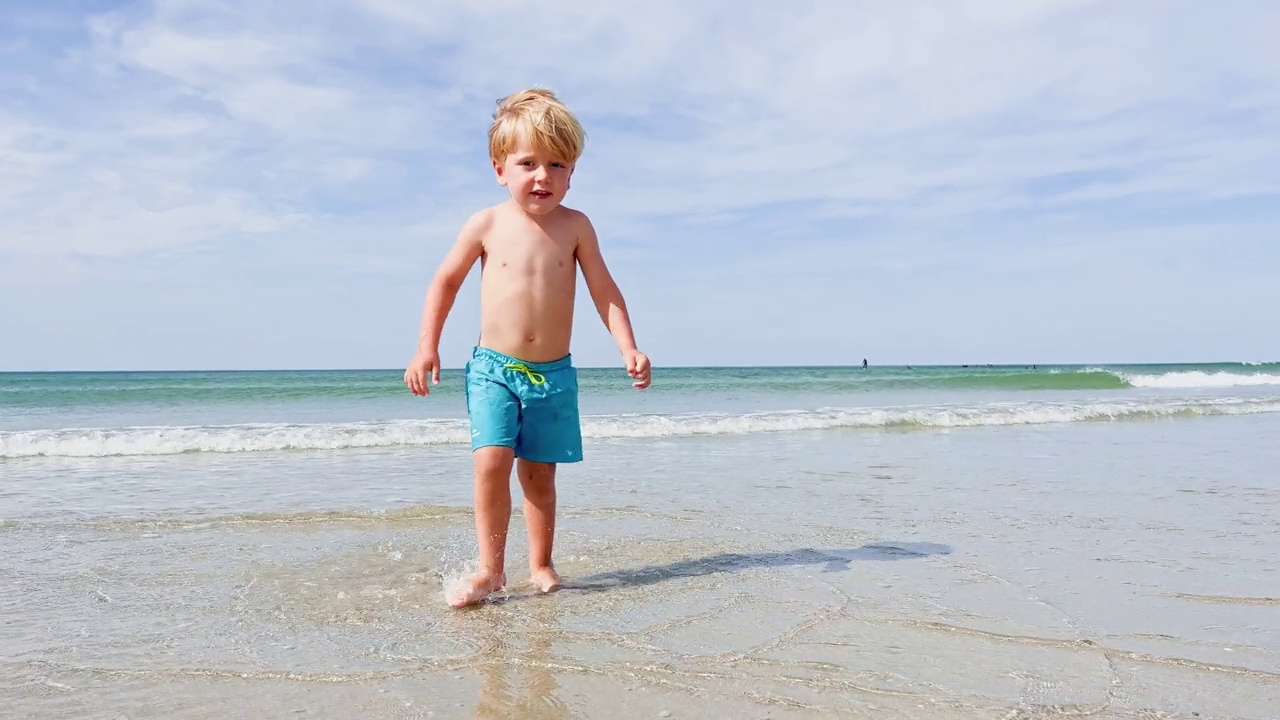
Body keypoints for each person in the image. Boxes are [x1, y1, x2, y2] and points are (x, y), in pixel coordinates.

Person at [403, 88, 651, 608]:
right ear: (500, 169)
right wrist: (427, 347)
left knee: (539, 475)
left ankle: (541, 565)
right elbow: (444, 282)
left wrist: (628, 346)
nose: (543, 176)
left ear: (572, 173)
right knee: (492, 460)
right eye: (528, 163)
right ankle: (491, 571)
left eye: (556, 164)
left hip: (553, 374)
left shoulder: (576, 226)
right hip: (495, 368)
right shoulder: (486, 223)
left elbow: (606, 291)